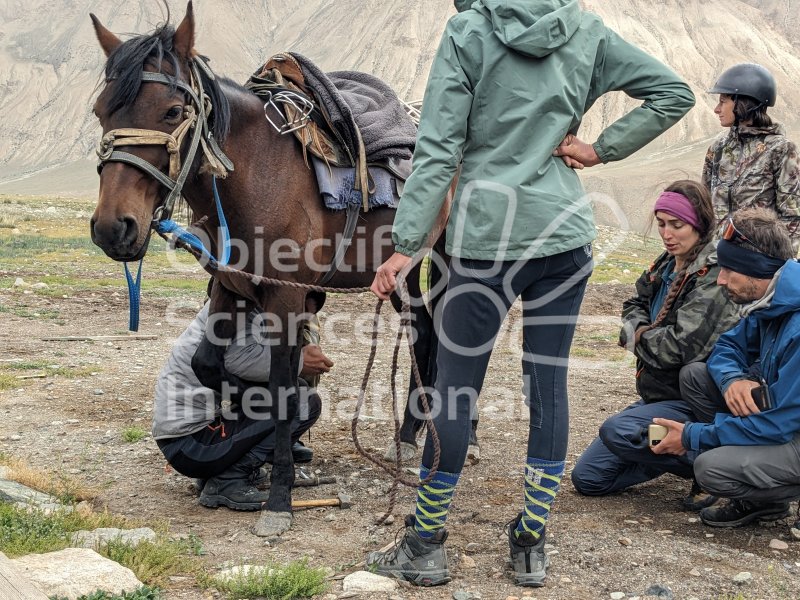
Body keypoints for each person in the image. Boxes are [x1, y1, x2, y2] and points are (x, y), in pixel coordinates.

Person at [366, 0, 695, 588]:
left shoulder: (469, 31)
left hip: (486, 240)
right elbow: (673, 93)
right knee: (548, 385)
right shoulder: (584, 27)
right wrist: (599, 149)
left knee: (455, 389)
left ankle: (425, 542)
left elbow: (439, 148)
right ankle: (530, 542)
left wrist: (407, 244)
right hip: (564, 237)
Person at [570, 181, 740, 504]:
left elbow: (673, 348)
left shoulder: (711, 275)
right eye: (661, 224)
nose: (667, 233)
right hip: (657, 396)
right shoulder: (666, 263)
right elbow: (633, 304)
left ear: (700, 223)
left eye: (677, 225)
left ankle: (710, 463)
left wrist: (635, 335)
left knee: (617, 431)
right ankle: (662, 449)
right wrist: (642, 331)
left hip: (689, 399)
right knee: (588, 477)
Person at [651, 207, 799, 533]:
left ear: (755, 271)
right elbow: (726, 348)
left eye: (729, 270)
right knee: (695, 376)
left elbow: (778, 425)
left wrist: (691, 436)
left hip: (787, 427)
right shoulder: (770, 301)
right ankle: (763, 490)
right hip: (781, 415)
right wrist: (734, 380)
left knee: (711, 469)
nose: (720, 279)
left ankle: (769, 495)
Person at [152, 291, 333, 511]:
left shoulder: (243, 302)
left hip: (188, 440)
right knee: (304, 402)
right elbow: (240, 360)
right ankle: (228, 478)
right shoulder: (246, 311)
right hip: (191, 444)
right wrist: (300, 361)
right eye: (298, 315)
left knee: (297, 390)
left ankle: (224, 469)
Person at [702, 63, 800, 252]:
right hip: (714, 256)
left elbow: (792, 217)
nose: (716, 109)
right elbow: (704, 206)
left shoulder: (781, 150)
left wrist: (780, 266)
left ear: (743, 103)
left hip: (756, 260)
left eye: (723, 102)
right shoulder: (718, 148)